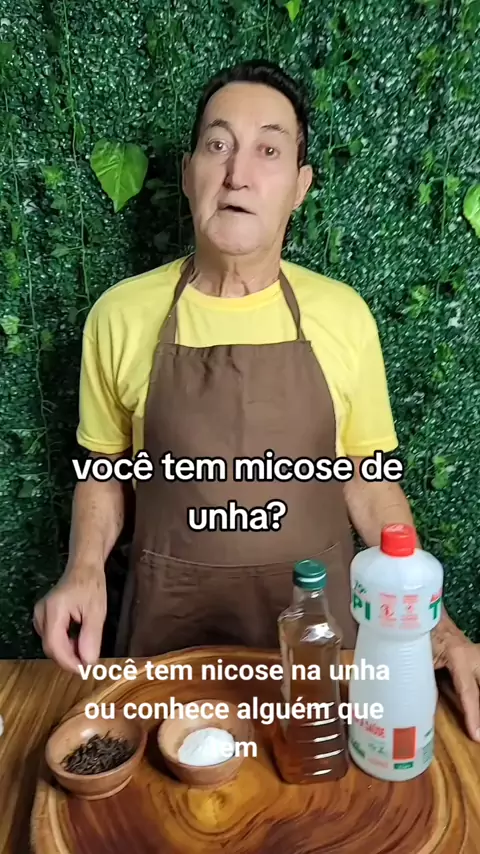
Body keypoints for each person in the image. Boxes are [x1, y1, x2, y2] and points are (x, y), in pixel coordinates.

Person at [33, 59, 480, 741]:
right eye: (218, 145)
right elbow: (104, 471)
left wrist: (436, 627)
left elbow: (369, 482)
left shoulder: (343, 315)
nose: (237, 173)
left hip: (320, 652)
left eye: (269, 150)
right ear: (189, 173)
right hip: (167, 643)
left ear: (300, 186)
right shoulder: (119, 316)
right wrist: (83, 571)